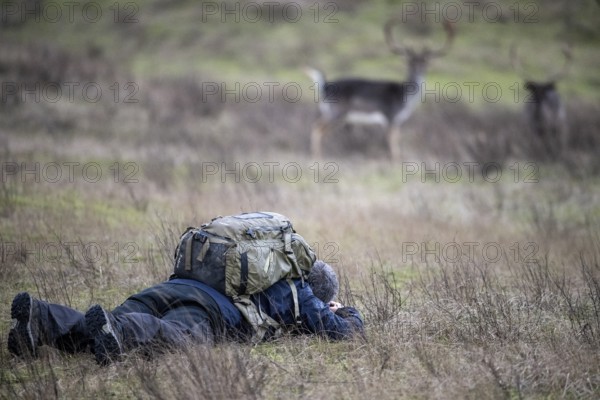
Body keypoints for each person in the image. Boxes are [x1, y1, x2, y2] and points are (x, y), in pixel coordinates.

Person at [8, 260, 364, 365]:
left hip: (167, 288)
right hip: (204, 310)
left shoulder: (259, 263)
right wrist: (344, 310)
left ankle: (39, 319)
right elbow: (344, 333)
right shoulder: (302, 291)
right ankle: (119, 329)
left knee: (93, 329)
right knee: (176, 337)